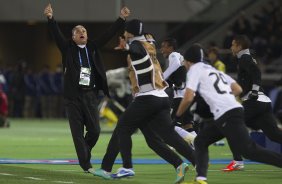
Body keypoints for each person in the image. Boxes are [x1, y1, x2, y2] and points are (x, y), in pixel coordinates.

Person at [94, 29, 195, 184]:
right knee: (156, 139)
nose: (124, 35)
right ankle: (185, 163)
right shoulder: (149, 47)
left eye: (126, 33)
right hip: (159, 98)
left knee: (122, 128)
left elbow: (136, 49)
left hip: (147, 98)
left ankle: (124, 167)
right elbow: (145, 45)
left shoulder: (138, 46)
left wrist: (128, 45)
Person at [176, 44, 282, 184]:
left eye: (185, 62)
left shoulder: (194, 69)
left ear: (189, 61)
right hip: (230, 112)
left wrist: (177, 116)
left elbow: (188, 97)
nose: (185, 64)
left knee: (249, 151)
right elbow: (237, 89)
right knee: (200, 141)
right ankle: (200, 179)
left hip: (228, 114)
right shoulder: (213, 70)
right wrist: (222, 98)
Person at [43, 3, 130, 173]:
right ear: (73, 36)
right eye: (78, 31)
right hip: (72, 97)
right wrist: (50, 18)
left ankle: (85, 151)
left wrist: (121, 19)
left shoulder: (92, 47)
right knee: (77, 133)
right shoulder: (67, 48)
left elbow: (108, 33)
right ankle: (86, 164)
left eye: (84, 31)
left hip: (90, 94)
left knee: (95, 131)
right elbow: (56, 34)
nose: (82, 33)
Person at [222, 34, 282, 172]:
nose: (231, 47)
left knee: (231, 125)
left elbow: (256, 72)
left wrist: (254, 90)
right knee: (274, 135)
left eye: (233, 44)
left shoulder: (244, 58)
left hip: (254, 102)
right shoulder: (246, 58)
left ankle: (237, 161)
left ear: (239, 46)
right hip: (263, 102)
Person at [160, 38, 196, 144]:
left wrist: (162, 77)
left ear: (171, 48)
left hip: (181, 96)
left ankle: (193, 141)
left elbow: (175, 65)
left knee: (170, 125)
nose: (161, 49)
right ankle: (198, 143)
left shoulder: (173, 55)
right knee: (187, 125)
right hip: (186, 94)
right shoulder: (181, 57)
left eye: (164, 46)